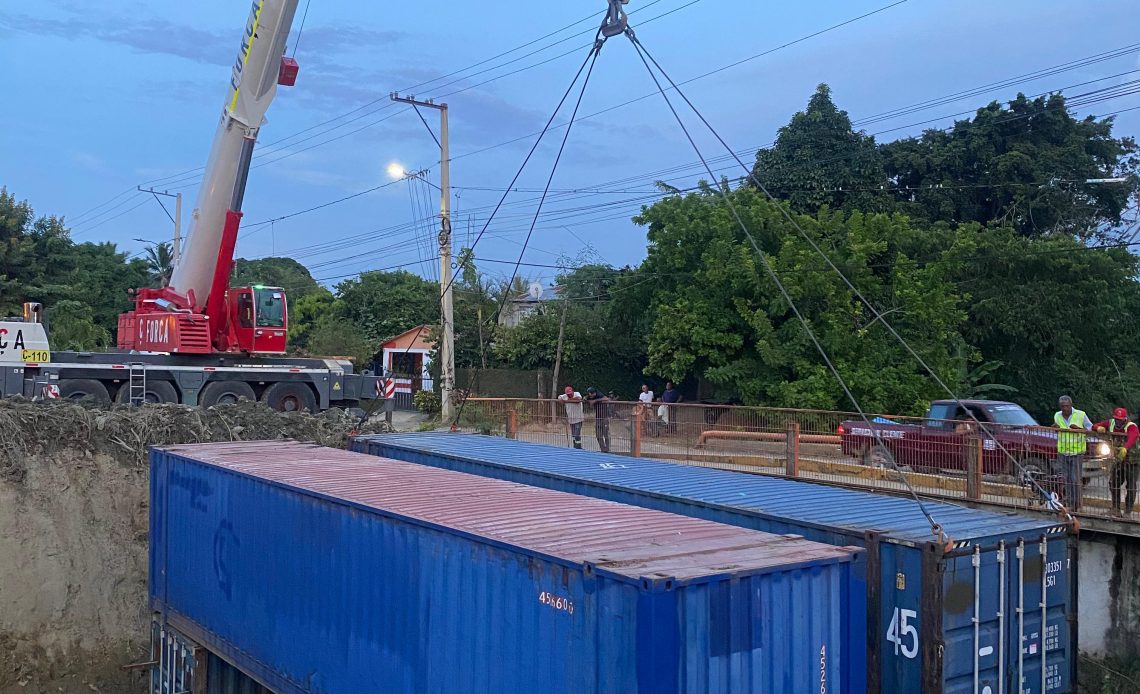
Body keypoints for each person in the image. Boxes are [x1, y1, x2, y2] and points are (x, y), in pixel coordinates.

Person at [1094, 407, 1139, 516]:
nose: (1118, 421)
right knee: (1113, 483)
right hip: (1118, 459)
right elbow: (1093, 425)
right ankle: (1116, 509)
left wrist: (1125, 448)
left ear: (1125, 419)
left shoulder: (1131, 426)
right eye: (1117, 419)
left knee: (1131, 486)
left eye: (1120, 419)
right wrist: (1098, 428)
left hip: (1132, 460)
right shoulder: (1111, 423)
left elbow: (1133, 436)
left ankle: (1127, 512)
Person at [1054, 395, 1091, 510]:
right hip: (1063, 452)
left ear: (1071, 405)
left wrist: (1079, 429)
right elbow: (1058, 429)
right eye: (1062, 406)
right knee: (1067, 479)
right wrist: (1055, 428)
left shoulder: (1081, 414)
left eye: (1067, 406)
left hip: (1076, 452)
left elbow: (1090, 428)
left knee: (1075, 479)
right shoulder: (1057, 415)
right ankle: (1070, 503)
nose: (1065, 408)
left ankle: (1078, 504)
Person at [585, 387, 611, 453]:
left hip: (605, 417)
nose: (591, 396)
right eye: (590, 395)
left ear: (594, 393)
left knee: (606, 434)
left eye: (592, 394)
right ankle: (603, 449)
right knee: (598, 434)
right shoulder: (589, 396)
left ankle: (607, 449)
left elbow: (607, 399)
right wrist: (586, 399)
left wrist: (595, 401)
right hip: (598, 417)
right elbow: (585, 398)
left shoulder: (599, 394)